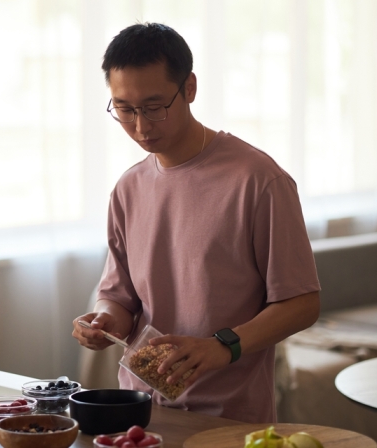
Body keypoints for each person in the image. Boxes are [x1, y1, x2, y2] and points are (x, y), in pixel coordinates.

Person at [72, 22, 321, 424]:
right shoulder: (129, 187)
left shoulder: (258, 181)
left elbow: (302, 303)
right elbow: (119, 297)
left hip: (229, 416)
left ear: (189, 88)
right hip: (139, 408)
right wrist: (103, 321)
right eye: (124, 109)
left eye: (154, 107)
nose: (140, 126)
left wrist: (222, 346)